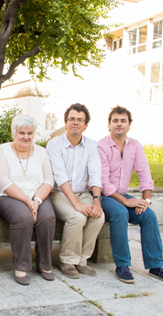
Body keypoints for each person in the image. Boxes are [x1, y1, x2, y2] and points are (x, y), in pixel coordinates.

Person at [98, 106, 163, 285]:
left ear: (129, 125)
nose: (119, 124)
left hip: (122, 195)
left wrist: (146, 200)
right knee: (120, 213)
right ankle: (123, 265)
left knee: (148, 215)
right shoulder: (101, 146)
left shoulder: (135, 145)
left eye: (123, 121)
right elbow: (103, 183)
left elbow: (144, 174)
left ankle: (156, 266)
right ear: (109, 125)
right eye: (115, 121)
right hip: (103, 195)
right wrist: (127, 201)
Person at [0, 114, 56, 286]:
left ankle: (44, 264)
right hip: (11, 196)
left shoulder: (42, 152)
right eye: (21, 132)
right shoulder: (3, 150)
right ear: (13, 133)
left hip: (38, 197)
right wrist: (28, 201)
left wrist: (37, 200)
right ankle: (21, 266)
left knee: (47, 218)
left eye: (30, 133)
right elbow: (1, 180)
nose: (26, 137)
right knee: (23, 218)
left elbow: (49, 180)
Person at [47, 103, 105, 279]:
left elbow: (95, 174)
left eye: (80, 120)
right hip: (59, 194)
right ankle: (66, 260)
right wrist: (76, 204)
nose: (75, 122)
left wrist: (96, 201)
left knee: (98, 215)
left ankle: (81, 260)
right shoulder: (54, 144)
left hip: (83, 193)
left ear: (85, 125)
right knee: (77, 216)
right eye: (72, 119)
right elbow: (60, 176)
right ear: (66, 123)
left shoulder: (91, 145)